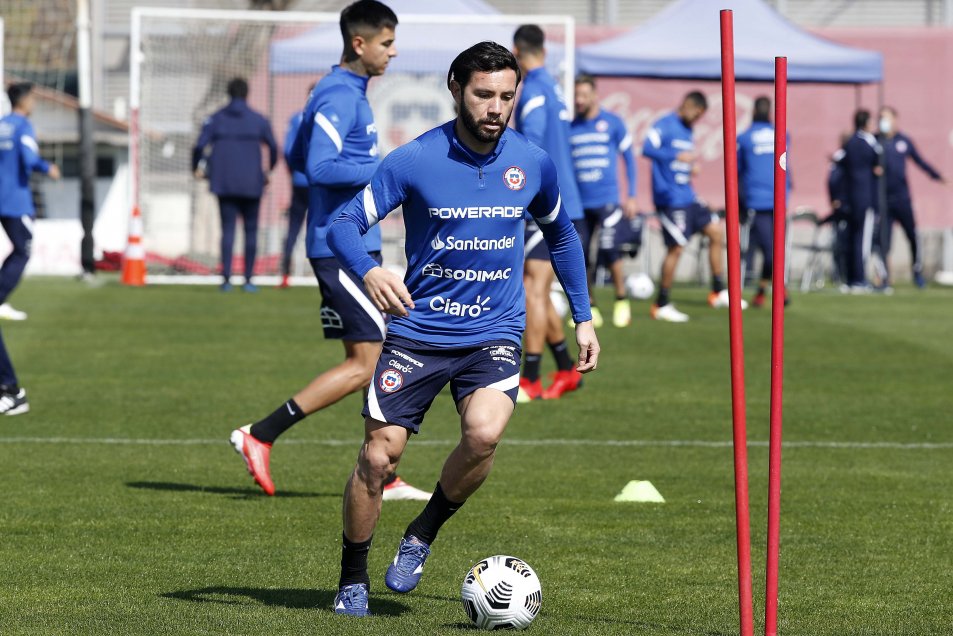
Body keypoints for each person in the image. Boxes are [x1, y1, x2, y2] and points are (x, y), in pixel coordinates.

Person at [324, 41, 598, 617]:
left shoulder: (533, 162)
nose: (496, 107)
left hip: (494, 332)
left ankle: (422, 533)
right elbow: (343, 223)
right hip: (419, 332)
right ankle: (353, 578)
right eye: (483, 95)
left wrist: (582, 315)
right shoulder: (414, 160)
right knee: (378, 459)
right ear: (455, 90)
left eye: (506, 95)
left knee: (483, 434)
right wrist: (371, 270)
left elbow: (563, 237)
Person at [229, 0, 427, 502]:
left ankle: (383, 469)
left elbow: (298, 153)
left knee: (373, 358)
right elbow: (317, 168)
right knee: (372, 360)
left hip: (353, 246)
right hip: (341, 250)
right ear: (359, 44)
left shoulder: (341, 92)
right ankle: (261, 433)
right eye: (386, 43)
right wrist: (384, 170)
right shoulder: (340, 96)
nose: (393, 52)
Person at [513, 24, 588, 402]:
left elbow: (531, 150)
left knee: (533, 290)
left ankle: (530, 378)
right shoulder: (556, 90)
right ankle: (565, 369)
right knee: (537, 290)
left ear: (516, 51)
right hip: (566, 202)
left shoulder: (533, 95)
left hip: (545, 206)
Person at [642, 91, 744, 322]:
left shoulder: (689, 130)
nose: (697, 119)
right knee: (676, 247)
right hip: (669, 199)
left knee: (716, 232)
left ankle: (718, 291)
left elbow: (683, 162)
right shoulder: (665, 124)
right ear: (688, 105)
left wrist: (690, 168)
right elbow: (647, 148)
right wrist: (676, 156)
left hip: (688, 195)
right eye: (697, 114)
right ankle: (661, 303)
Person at [192, 77, 277, 292]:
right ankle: (248, 280)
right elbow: (275, 148)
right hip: (252, 183)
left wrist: (197, 167)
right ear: (247, 93)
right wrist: (268, 171)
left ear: (228, 94)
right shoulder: (258, 120)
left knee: (227, 230)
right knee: (251, 231)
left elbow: (199, 146)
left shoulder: (216, 119)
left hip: (224, 183)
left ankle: (227, 279)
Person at [570, 73, 638, 327]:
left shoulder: (612, 123)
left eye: (584, 95)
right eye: (576, 95)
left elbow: (629, 158)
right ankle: (590, 307)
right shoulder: (570, 127)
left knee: (609, 249)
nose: (579, 100)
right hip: (579, 204)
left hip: (608, 200)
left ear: (595, 95)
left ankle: (621, 299)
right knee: (579, 255)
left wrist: (632, 195)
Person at [0, 82, 61, 321]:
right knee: (22, 250)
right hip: (16, 201)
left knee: (17, 248)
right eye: (33, 99)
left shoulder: (2, 125)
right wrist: (48, 168)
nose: (34, 103)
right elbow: (29, 158)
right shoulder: (23, 126)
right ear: (24, 101)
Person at [877, 106, 945, 289]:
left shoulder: (903, 141)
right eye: (880, 118)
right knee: (884, 240)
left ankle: (917, 272)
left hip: (902, 198)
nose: (882, 121)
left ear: (895, 120)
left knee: (912, 236)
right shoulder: (877, 141)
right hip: (883, 200)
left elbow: (920, 161)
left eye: (886, 118)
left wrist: (937, 176)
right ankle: (885, 277)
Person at [737, 95, 789, 307]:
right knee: (773, 250)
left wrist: (740, 202)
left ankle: (766, 290)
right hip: (773, 200)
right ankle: (775, 290)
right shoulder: (783, 134)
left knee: (771, 250)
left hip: (758, 201)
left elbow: (737, 172)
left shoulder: (745, 138)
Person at [840, 109, 882, 292]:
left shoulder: (849, 143)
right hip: (865, 197)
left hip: (851, 197)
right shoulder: (868, 143)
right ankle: (859, 278)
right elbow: (877, 166)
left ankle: (851, 277)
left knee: (853, 237)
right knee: (862, 240)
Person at [278, 84, 316, 289]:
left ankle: (284, 275)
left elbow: (287, 150)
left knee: (293, 227)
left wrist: (295, 171)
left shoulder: (296, 118)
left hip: (300, 181)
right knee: (320, 226)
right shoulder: (329, 117)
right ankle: (324, 273)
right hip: (320, 183)